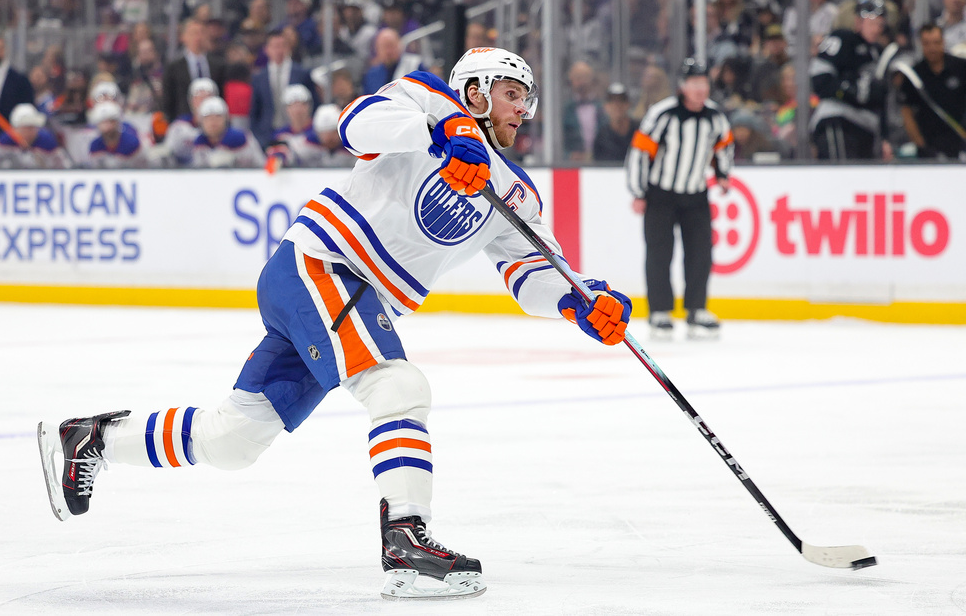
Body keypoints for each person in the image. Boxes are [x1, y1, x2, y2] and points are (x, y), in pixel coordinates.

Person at [37, 47, 632, 601]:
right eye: (511, 93)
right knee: (397, 386)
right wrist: (444, 129)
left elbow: (530, 273)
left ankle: (93, 439)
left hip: (344, 298)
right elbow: (355, 124)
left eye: (526, 99)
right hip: (323, 265)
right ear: (474, 90)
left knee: (233, 440)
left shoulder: (517, 194)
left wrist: (581, 301)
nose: (522, 108)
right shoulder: (427, 102)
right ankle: (406, 539)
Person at [626, 58, 734, 340]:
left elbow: (724, 145)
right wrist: (638, 192)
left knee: (700, 253)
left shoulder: (715, 116)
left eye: (703, 83)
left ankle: (696, 309)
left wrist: (722, 174)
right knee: (660, 253)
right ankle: (659, 311)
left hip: (696, 194)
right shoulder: (662, 114)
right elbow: (640, 152)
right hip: (660, 194)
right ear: (683, 86)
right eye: (694, 83)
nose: (700, 89)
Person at [810, 0, 893, 161]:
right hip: (839, 120)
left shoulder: (879, 52)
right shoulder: (841, 38)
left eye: (880, 24)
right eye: (872, 23)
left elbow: (881, 100)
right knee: (841, 173)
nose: (877, 29)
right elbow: (820, 80)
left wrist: (884, 137)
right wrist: (850, 91)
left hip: (867, 130)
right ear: (858, 22)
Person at [898, 23, 966, 159]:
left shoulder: (961, 68)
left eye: (936, 42)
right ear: (920, 44)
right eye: (927, 43)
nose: (932, 48)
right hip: (929, 147)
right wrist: (921, 145)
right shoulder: (914, 75)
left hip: (960, 141)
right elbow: (907, 112)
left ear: (943, 42)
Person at [249, 30, 318, 149]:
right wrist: (258, 134)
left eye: (282, 46)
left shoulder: (302, 73)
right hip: (267, 133)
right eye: (275, 46)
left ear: (288, 48)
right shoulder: (259, 77)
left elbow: (313, 102)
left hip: (297, 133)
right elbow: (255, 110)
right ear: (267, 49)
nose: (279, 51)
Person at [161, 19, 227, 122]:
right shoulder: (174, 67)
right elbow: (169, 99)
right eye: (194, 33)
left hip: (212, 121)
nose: (198, 37)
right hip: (183, 120)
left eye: (202, 33)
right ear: (184, 37)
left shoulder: (219, 65)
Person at [0, 103, 71, 169]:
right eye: (26, 127)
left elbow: (66, 166)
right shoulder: (4, 142)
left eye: (33, 127)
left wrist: (35, 154)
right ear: (15, 129)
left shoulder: (47, 142)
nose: (30, 131)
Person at [189, 96, 266, 168]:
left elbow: (261, 164)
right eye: (208, 118)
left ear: (226, 118)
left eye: (218, 117)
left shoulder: (242, 139)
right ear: (201, 121)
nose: (213, 122)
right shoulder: (199, 143)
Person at [164, 78, 219, 166]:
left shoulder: (225, 128)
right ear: (192, 100)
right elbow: (169, 152)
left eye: (207, 97)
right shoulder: (179, 126)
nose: (203, 102)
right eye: (199, 98)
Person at [85, 101, 148, 168]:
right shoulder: (95, 145)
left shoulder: (132, 143)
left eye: (111, 121)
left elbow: (141, 169)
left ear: (118, 122)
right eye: (104, 122)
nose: (108, 126)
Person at [592, 82, 637, 165]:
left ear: (628, 104)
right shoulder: (601, 136)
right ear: (606, 106)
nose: (617, 105)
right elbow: (598, 165)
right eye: (612, 101)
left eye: (621, 100)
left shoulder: (640, 131)